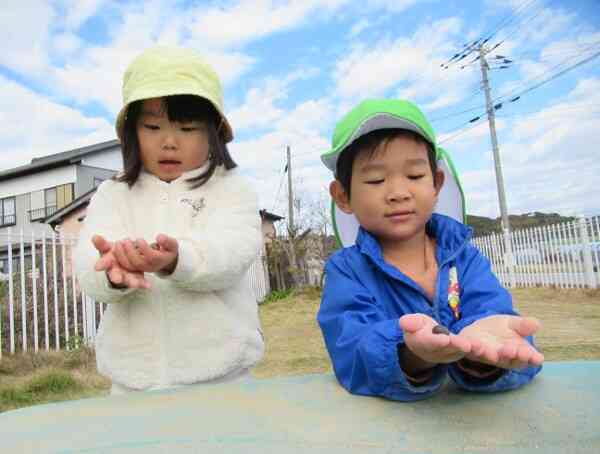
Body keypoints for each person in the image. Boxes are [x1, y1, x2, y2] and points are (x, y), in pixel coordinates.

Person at [317, 99, 543, 401]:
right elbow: (352, 349)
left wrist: (480, 350)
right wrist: (413, 352)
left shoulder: (465, 258)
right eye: (376, 179)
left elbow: (495, 317)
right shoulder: (346, 270)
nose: (398, 193)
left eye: (414, 176)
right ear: (343, 195)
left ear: (436, 184)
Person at [75, 46, 264, 394]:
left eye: (188, 127)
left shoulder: (232, 189)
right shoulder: (113, 195)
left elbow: (233, 251)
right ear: (132, 132)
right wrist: (113, 271)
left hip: (224, 381)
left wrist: (178, 260)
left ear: (214, 133)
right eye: (152, 126)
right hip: (131, 385)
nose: (169, 141)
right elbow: (88, 266)